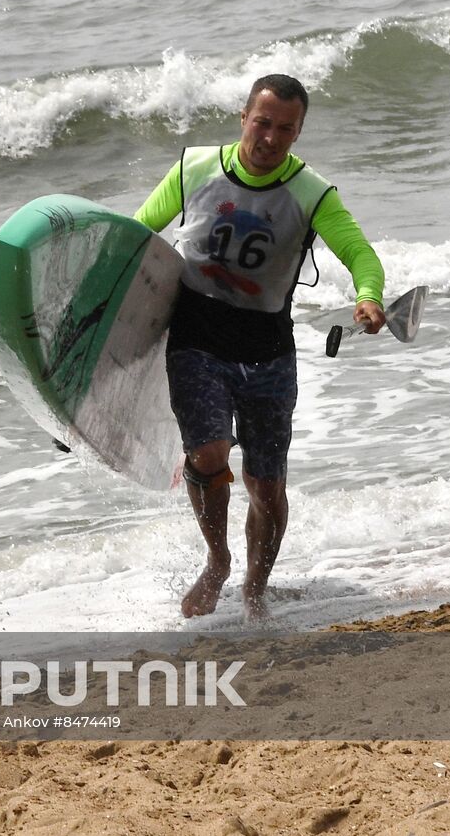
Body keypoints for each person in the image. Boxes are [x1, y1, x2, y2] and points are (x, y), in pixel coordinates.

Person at [133, 74, 385, 620]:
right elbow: (136, 235)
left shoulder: (312, 193)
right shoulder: (194, 169)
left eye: (285, 129)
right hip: (196, 335)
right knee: (208, 452)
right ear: (244, 117)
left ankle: (255, 586)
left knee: (266, 486)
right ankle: (218, 560)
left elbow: (360, 253)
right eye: (262, 122)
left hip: (267, 348)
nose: (270, 137)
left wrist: (368, 296)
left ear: (298, 132)